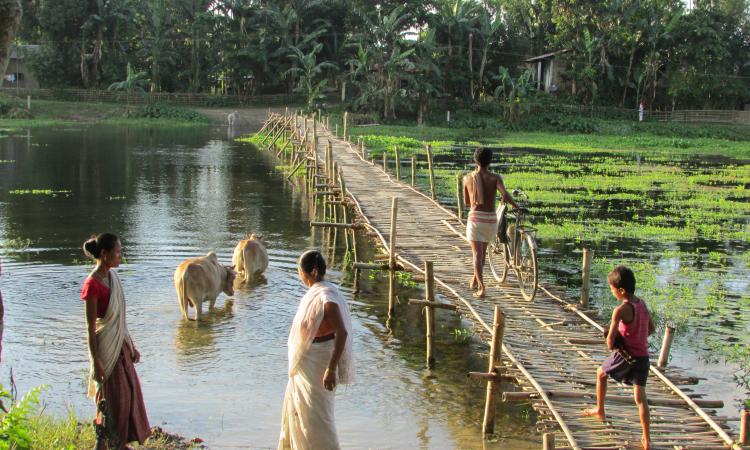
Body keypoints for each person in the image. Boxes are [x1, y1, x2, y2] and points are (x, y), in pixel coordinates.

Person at [81, 233, 150, 449]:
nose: (121, 256)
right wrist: (95, 362)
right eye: (118, 252)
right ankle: (109, 443)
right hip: (106, 351)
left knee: (128, 395)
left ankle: (116, 443)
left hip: (120, 347)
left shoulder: (112, 278)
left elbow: (120, 321)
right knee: (113, 400)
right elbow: (91, 328)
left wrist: (131, 345)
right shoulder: (93, 285)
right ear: (104, 254)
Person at [279, 250, 354, 450]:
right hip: (308, 362)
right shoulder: (317, 292)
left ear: (310, 272)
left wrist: (330, 369)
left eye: (300, 272)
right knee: (303, 413)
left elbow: (342, 332)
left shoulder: (326, 296)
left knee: (319, 415)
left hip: (320, 364)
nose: (300, 276)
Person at [584, 265, 655, 450]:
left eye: (612, 289)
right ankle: (647, 440)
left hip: (626, 355)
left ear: (621, 290)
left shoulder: (621, 310)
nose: (612, 292)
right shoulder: (642, 303)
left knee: (600, 373)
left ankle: (600, 410)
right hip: (643, 358)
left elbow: (609, 343)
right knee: (640, 398)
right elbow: (652, 329)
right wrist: (637, 337)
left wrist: (612, 337)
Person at [463, 147, 518, 298]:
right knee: (482, 255)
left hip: (476, 219)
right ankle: (475, 279)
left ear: (475, 161)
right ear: (490, 161)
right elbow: (504, 194)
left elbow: (467, 202)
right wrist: (515, 204)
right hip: (491, 220)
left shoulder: (467, 178)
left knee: (476, 254)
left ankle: (481, 288)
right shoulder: (495, 178)